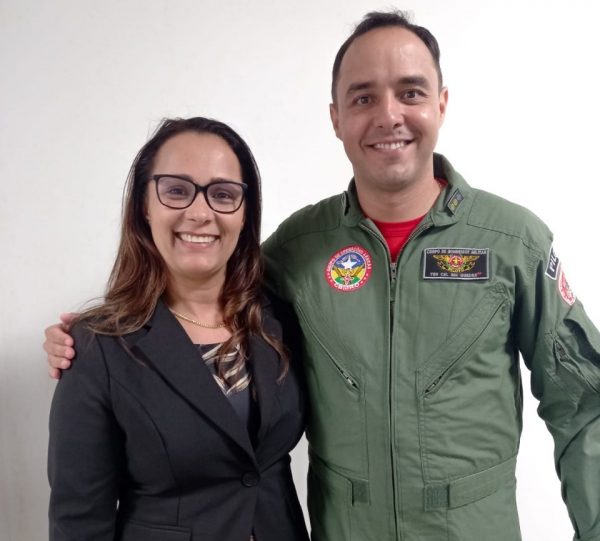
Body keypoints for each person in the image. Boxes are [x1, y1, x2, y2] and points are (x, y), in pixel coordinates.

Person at [45, 11, 600, 541]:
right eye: (363, 97)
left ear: (442, 103)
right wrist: (91, 340)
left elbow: (584, 404)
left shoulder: (512, 242)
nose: (388, 115)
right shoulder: (298, 249)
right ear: (335, 117)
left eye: (410, 92)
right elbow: (202, 289)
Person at [46, 116, 309, 541]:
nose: (200, 213)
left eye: (223, 194)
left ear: (245, 213)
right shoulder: (97, 348)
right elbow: (78, 520)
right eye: (176, 190)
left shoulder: (280, 319)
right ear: (144, 205)